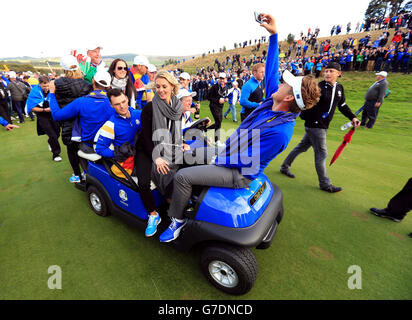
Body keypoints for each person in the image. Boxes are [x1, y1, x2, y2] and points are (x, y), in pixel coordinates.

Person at [158, 13, 321, 243]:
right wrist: (274, 35)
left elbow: (248, 161)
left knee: (184, 177)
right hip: (227, 155)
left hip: (236, 172)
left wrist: (218, 160)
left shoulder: (281, 132)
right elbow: (272, 68)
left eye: (287, 85)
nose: (282, 83)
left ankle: (177, 220)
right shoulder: (272, 101)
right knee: (185, 154)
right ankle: (177, 199)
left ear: (288, 98)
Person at [280, 62, 361, 193]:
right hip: (315, 125)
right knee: (322, 153)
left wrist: (353, 117)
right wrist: (308, 117)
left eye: (331, 71)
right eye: (326, 71)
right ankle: (325, 184)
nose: (327, 73)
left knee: (302, 146)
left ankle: (284, 166)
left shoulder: (339, 88)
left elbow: (342, 105)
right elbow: (308, 103)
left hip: (323, 125)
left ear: (338, 73)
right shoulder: (319, 87)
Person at [134, 70, 185, 237]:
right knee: (143, 182)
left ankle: (175, 211)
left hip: (168, 147)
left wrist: (181, 143)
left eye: (164, 86)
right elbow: (146, 138)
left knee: (180, 171)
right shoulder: (149, 108)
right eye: (158, 87)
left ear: (172, 87)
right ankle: (153, 215)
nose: (161, 90)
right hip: (147, 149)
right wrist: (156, 158)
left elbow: (175, 130)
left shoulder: (177, 105)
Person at [48, 70, 114, 159]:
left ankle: (83, 172)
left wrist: (52, 93)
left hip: (89, 147)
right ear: (109, 86)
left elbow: (57, 115)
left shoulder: (81, 101)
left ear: (93, 81)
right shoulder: (116, 102)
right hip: (110, 145)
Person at [54, 55, 93, 183]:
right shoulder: (86, 85)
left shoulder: (57, 84)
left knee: (71, 150)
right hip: (84, 123)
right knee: (86, 150)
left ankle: (77, 175)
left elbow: (57, 105)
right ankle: (88, 174)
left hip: (68, 123)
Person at [26, 75, 62, 162]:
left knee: (57, 133)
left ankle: (50, 142)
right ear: (39, 84)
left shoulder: (53, 89)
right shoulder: (34, 92)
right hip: (42, 116)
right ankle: (56, 154)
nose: (46, 88)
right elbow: (31, 107)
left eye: (47, 86)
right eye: (44, 86)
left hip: (53, 114)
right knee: (52, 135)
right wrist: (44, 110)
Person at [207, 72, 228, 146]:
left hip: (220, 107)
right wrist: (218, 100)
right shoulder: (214, 87)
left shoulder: (226, 87)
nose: (222, 80)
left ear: (225, 79)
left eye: (223, 78)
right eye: (220, 78)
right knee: (218, 121)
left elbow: (225, 95)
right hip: (213, 106)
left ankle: (204, 130)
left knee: (218, 122)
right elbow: (208, 97)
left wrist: (225, 99)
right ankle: (217, 140)